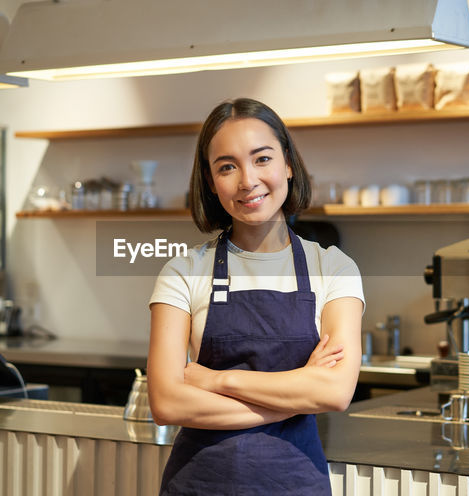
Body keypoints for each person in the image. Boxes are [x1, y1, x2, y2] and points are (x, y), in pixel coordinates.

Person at [147, 98, 364, 495]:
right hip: (199, 485)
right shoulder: (182, 272)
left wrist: (215, 379)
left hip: (295, 485)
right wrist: (299, 391)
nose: (247, 180)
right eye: (227, 167)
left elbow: (334, 392)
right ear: (211, 183)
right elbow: (167, 403)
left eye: (262, 159)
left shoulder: (334, 268)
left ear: (288, 165)